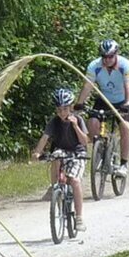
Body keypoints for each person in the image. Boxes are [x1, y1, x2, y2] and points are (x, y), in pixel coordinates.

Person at [32, 87, 89, 232]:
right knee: (55, 156)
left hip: (77, 152)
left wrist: (75, 125)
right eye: (59, 110)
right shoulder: (54, 122)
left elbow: (84, 141)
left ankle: (79, 217)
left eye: (65, 109)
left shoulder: (78, 120)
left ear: (70, 108)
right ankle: (55, 186)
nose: (62, 113)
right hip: (61, 150)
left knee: (74, 181)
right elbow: (45, 138)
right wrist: (37, 152)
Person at [76, 39, 129, 178]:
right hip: (104, 99)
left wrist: (128, 103)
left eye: (110, 56)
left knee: (125, 127)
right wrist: (79, 103)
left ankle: (123, 164)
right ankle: (101, 150)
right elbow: (88, 86)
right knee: (92, 123)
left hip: (122, 100)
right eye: (104, 57)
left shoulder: (125, 65)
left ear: (116, 54)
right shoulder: (94, 66)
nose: (107, 60)